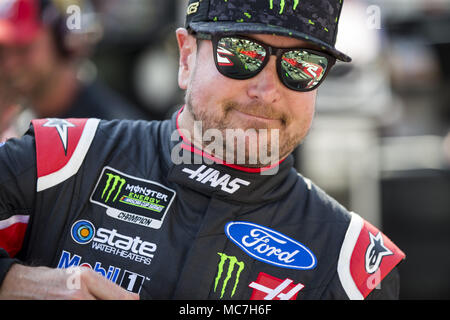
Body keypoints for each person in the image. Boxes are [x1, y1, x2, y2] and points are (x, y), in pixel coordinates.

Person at [0, 0, 405, 300]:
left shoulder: (352, 267)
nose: (267, 90)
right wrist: (14, 282)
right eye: (241, 53)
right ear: (187, 57)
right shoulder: (61, 161)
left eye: (302, 65)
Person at [0, 0, 145, 122]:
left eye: (23, 49)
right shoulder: (15, 123)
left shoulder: (111, 135)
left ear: (62, 42)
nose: (10, 64)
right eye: (2, 51)